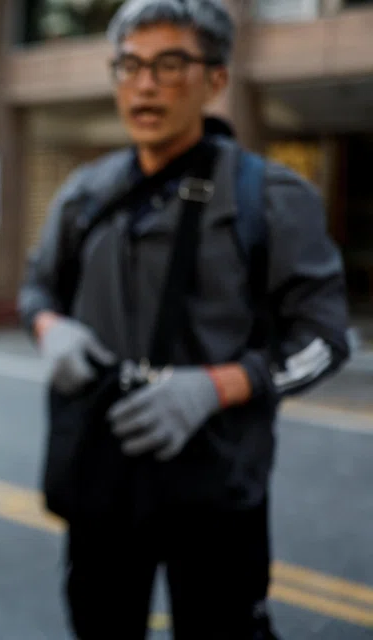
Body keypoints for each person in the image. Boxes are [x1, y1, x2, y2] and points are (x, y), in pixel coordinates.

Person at [18, 0, 350, 637]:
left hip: (218, 488)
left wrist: (216, 386)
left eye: (170, 64)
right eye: (130, 66)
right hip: (102, 477)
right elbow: (37, 289)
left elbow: (324, 340)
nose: (145, 83)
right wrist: (49, 330)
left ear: (216, 79)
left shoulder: (271, 198)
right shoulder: (85, 194)